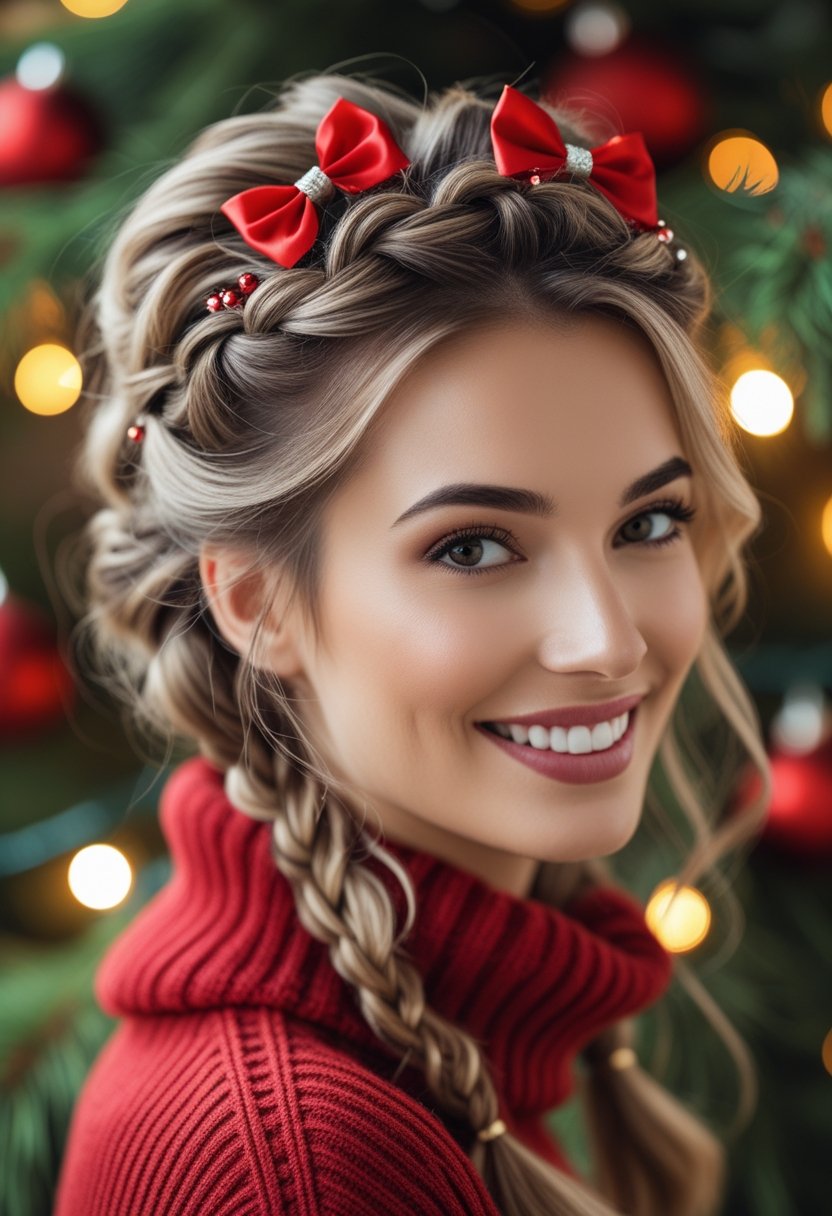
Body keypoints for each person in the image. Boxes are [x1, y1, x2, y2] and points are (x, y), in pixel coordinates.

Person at [53, 68, 770, 1216]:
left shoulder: (467, 1041)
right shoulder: (299, 1169)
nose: (604, 640)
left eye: (647, 522)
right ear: (257, 604)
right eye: (476, 547)